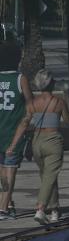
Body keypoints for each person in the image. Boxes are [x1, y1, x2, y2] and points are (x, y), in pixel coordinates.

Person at [7, 69, 69, 225]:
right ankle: (41, 208)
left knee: (48, 177)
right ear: (51, 83)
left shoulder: (32, 103)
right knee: (49, 177)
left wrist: (13, 145)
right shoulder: (59, 102)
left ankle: (55, 210)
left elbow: (24, 123)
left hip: (37, 142)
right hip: (53, 141)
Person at [0, 41, 33, 220]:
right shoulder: (21, 79)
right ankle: (3, 208)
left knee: (3, 172)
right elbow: (30, 106)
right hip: (15, 133)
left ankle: (8, 204)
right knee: (10, 170)